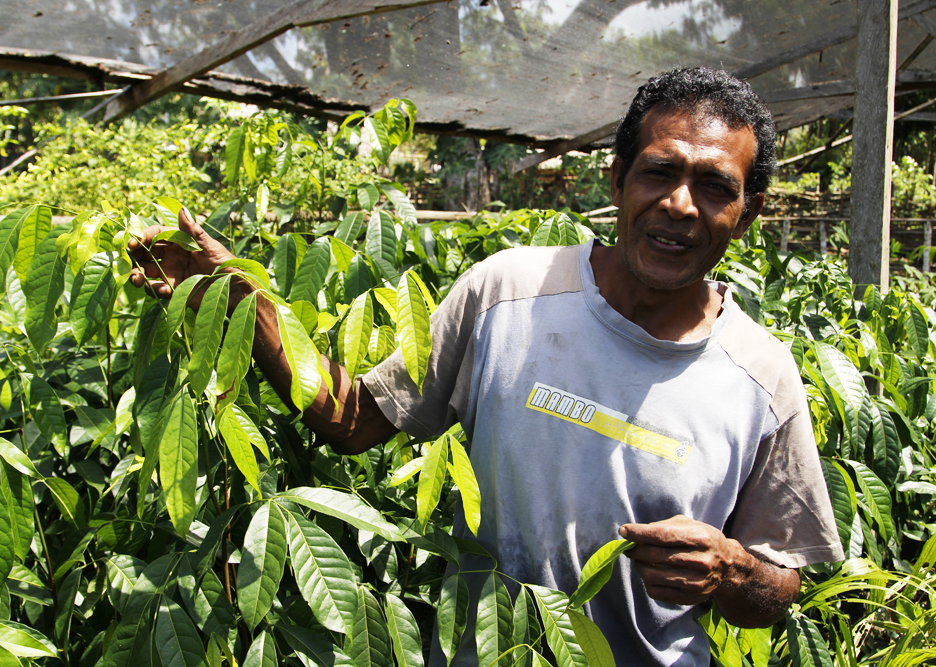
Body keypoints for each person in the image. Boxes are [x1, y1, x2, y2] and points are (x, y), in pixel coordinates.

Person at [129, 67, 843, 666]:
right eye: (659, 171)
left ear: (747, 214)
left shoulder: (762, 374)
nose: (680, 204)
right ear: (618, 176)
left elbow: (780, 586)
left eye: (716, 187)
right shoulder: (509, 292)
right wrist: (238, 296)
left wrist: (731, 570)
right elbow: (351, 418)